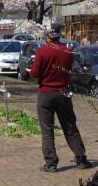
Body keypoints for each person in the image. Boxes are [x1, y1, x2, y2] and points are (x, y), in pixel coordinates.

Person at [28, 25, 92, 172]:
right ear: (59, 36)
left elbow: (35, 73)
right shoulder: (68, 51)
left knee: (47, 129)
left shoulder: (42, 51)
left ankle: (51, 163)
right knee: (70, 126)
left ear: (47, 37)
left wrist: (31, 71)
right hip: (64, 92)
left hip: (46, 92)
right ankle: (81, 158)